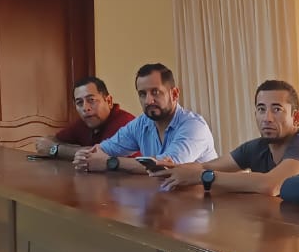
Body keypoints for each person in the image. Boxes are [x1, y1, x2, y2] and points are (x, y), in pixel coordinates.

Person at [157, 80, 299, 194]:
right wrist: (173, 169)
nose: (267, 118)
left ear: (296, 118)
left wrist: (202, 177)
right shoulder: (257, 147)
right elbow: (205, 166)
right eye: (261, 109)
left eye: (276, 109)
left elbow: (271, 185)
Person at [73, 64, 217, 174]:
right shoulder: (141, 124)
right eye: (142, 94)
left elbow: (166, 167)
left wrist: (110, 163)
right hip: (163, 199)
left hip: (203, 200)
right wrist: (84, 156)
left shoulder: (194, 126)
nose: (148, 101)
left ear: (174, 94)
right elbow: (104, 149)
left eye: (155, 92)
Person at [34, 76, 136, 160]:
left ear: (109, 101)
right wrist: (76, 150)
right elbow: (48, 141)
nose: (85, 108)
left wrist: (56, 149)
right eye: (79, 102)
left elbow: (99, 156)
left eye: (91, 100)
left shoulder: (125, 122)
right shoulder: (86, 122)